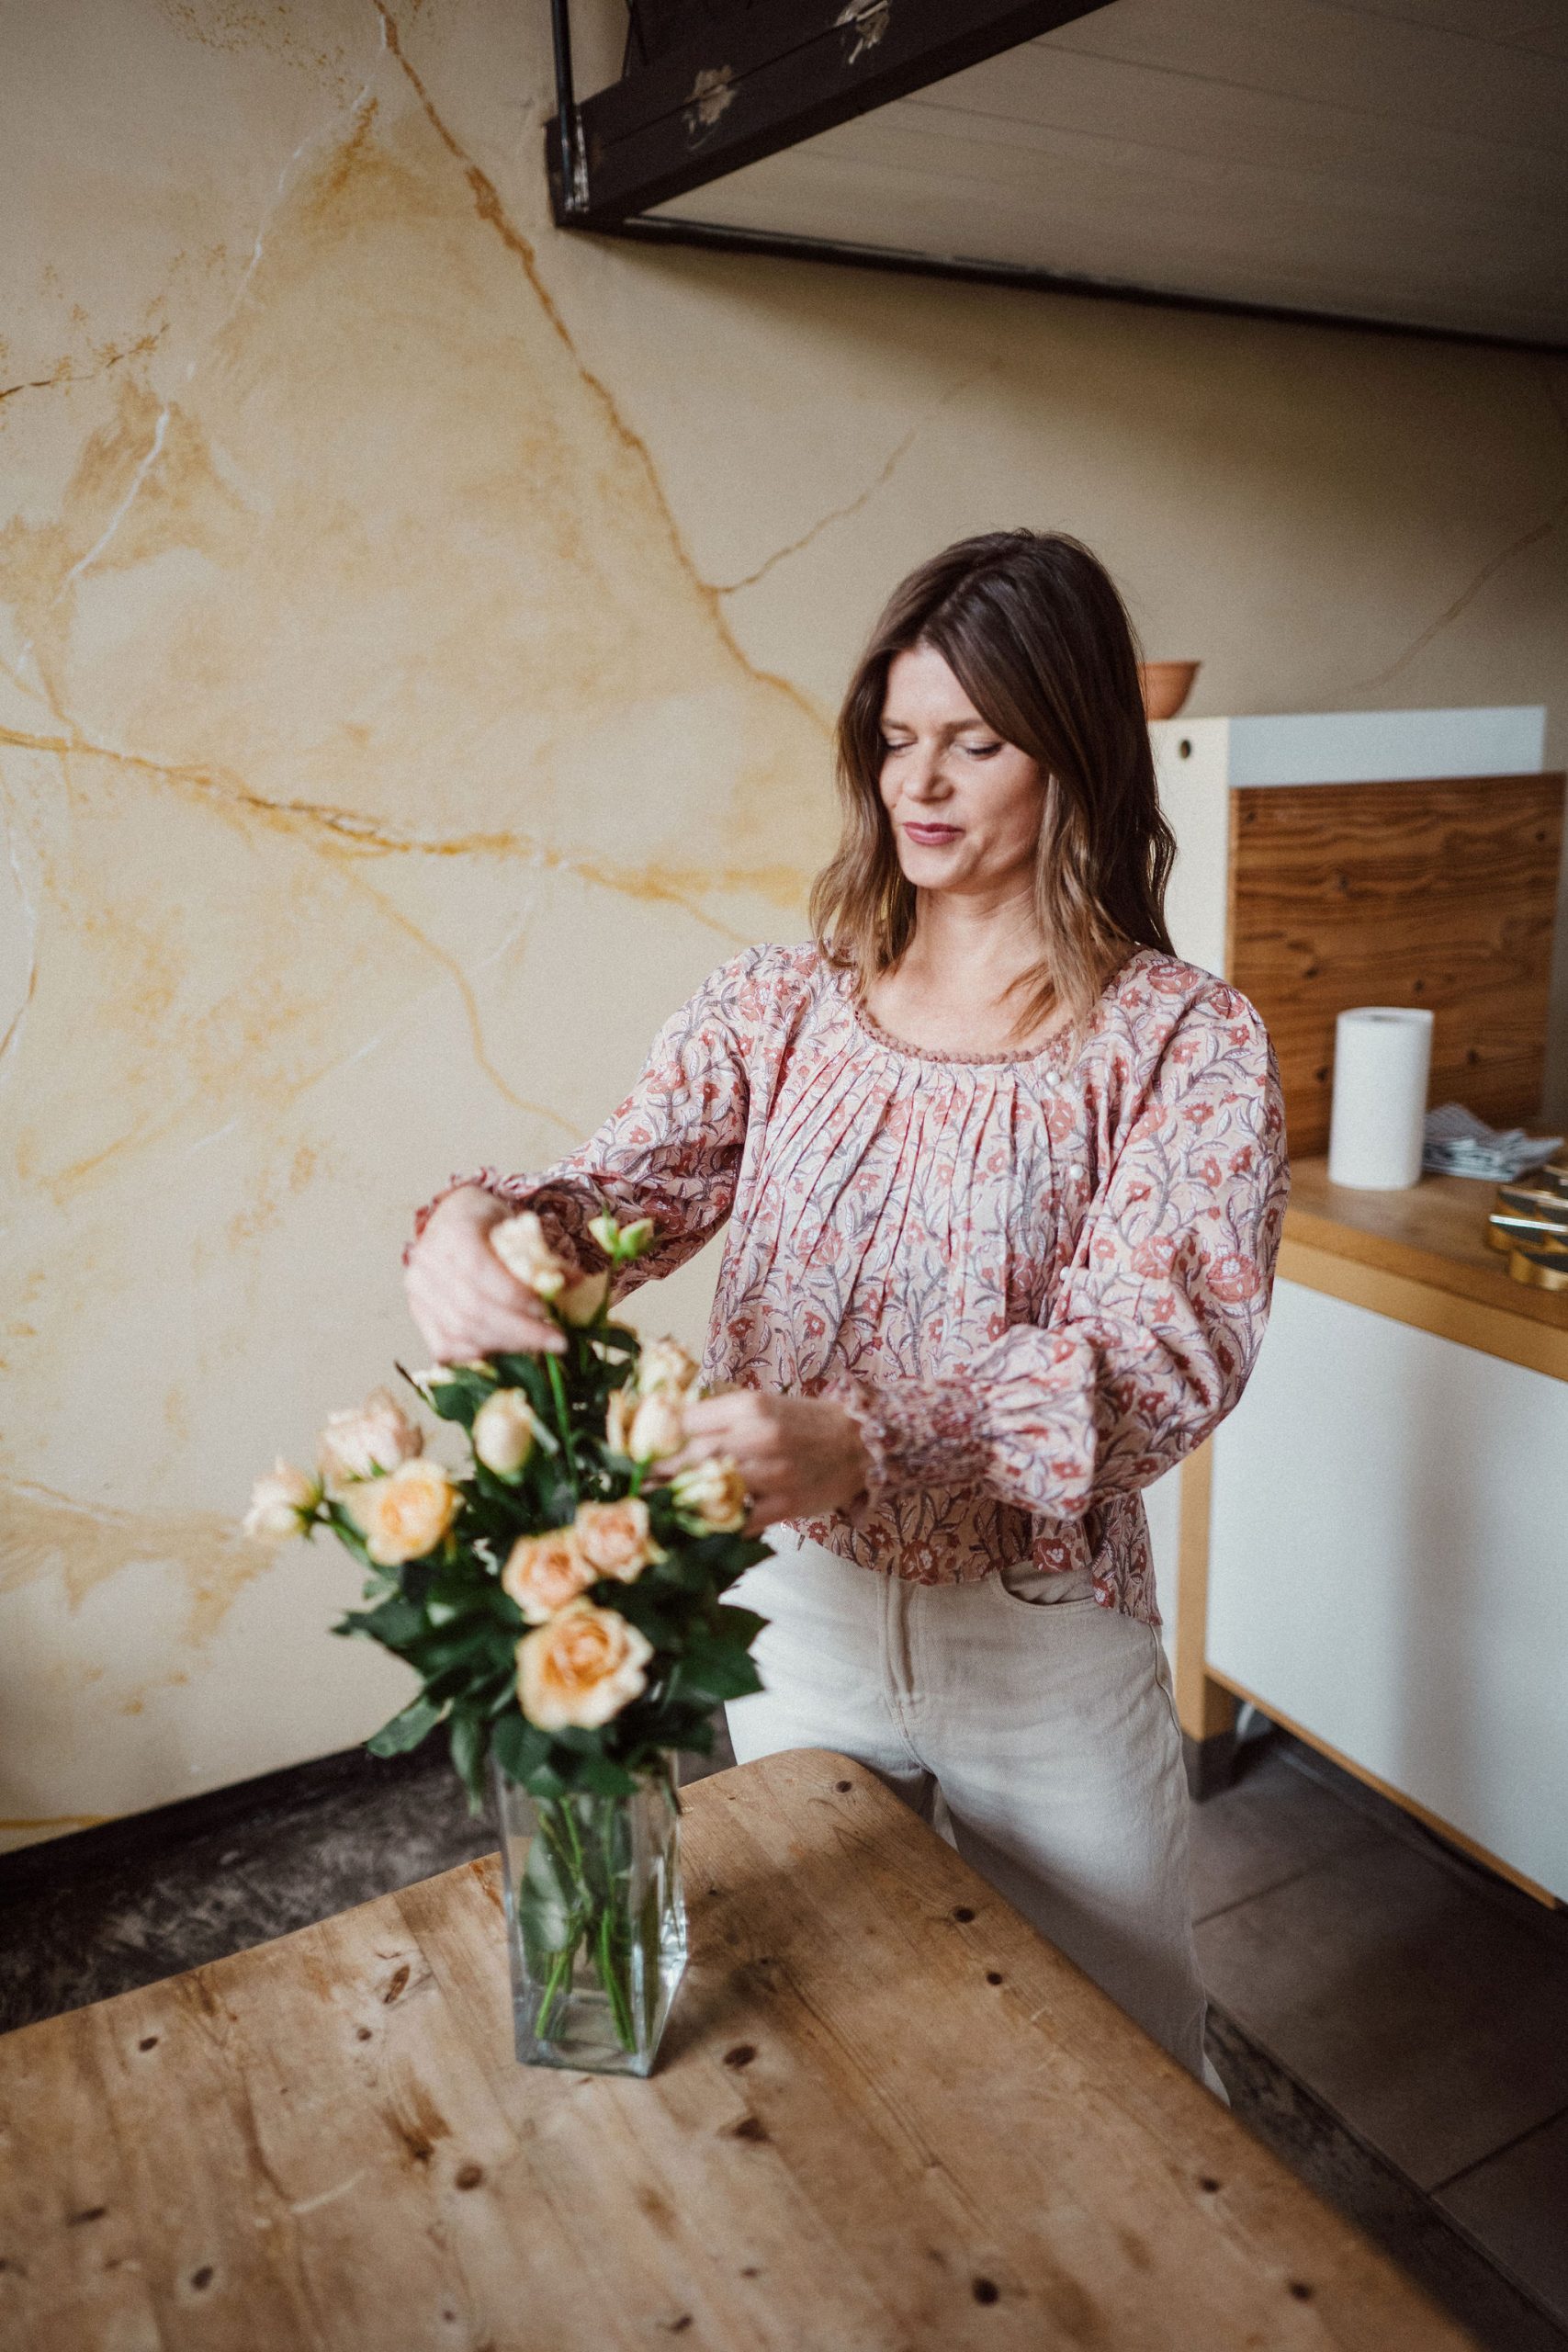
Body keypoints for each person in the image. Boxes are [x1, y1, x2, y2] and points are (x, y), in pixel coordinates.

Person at [404, 529, 1288, 2088]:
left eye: (976, 743)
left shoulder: (1184, 1043)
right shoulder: (778, 1003)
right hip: (794, 1613)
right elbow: (614, 1201)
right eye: (894, 737)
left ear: (1077, 752)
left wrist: (871, 1436)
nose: (919, 783)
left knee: (1130, 2055)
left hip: (1041, 1634)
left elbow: (1156, 1365)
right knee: (846, 2031)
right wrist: (480, 1232)